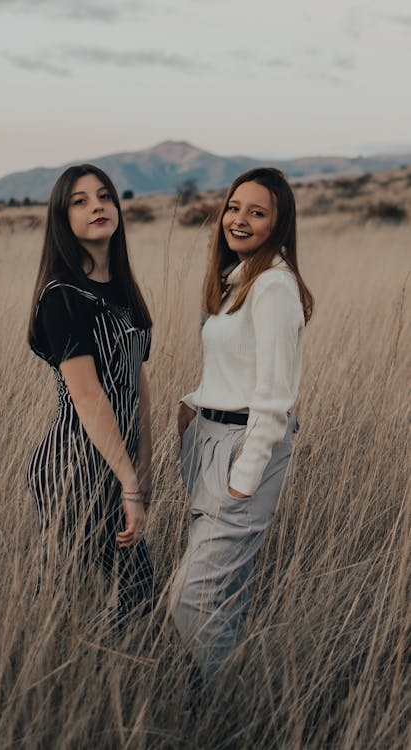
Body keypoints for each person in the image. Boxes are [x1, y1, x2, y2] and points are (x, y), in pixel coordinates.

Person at [171, 167, 313, 683]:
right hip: (211, 443)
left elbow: (275, 398)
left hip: (242, 453)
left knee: (190, 600)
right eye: (234, 207)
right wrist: (192, 403)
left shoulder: (273, 286)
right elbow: (237, 368)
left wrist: (243, 480)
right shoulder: (237, 281)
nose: (239, 219)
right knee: (220, 603)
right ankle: (221, 707)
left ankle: (223, 709)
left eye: (257, 212)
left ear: (278, 223)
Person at [26, 164, 154, 624]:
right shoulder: (62, 297)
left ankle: (96, 668)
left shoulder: (123, 292)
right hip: (73, 467)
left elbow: (138, 388)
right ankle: (36, 676)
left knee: (136, 595)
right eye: (80, 201)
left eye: (104, 196)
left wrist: (143, 466)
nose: (97, 206)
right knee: (59, 591)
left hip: (117, 465)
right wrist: (130, 483)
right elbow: (88, 397)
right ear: (64, 220)